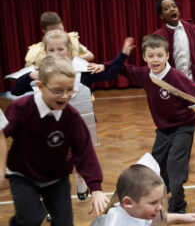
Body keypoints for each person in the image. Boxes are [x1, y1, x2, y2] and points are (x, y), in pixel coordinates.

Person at [2, 54, 109, 226]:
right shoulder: (21, 108)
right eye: (58, 91)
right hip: (23, 175)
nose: (66, 96)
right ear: (40, 86)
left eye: (70, 90)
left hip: (57, 179)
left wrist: (96, 187)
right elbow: (2, 134)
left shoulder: (71, 115)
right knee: (29, 220)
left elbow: (84, 151)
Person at [11, 29, 128, 200]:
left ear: (70, 51)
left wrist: (122, 54)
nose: (56, 53)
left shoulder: (83, 68)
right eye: (51, 50)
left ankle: (80, 178)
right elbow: (15, 90)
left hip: (79, 123)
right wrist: (30, 75)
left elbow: (109, 73)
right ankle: (52, 196)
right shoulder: (42, 71)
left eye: (60, 49)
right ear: (45, 52)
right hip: (50, 128)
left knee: (79, 157)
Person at [116, 34, 195, 214]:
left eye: (159, 55)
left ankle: (178, 206)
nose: (156, 59)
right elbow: (121, 69)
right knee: (155, 169)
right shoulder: (144, 75)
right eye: (151, 56)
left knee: (175, 168)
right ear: (144, 57)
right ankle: (163, 192)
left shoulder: (175, 76)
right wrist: (121, 55)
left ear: (167, 56)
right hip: (163, 131)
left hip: (183, 127)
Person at [154, 0, 195, 85]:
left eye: (174, 6)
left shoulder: (192, 29)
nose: (172, 9)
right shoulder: (159, 36)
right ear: (161, 15)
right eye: (166, 8)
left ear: (179, 10)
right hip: (173, 85)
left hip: (194, 84)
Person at [25, 12, 94, 67]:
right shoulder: (36, 49)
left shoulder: (71, 39)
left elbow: (90, 55)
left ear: (62, 25)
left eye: (60, 28)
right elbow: (27, 66)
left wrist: (71, 60)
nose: (58, 32)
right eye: (52, 30)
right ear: (44, 31)